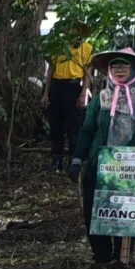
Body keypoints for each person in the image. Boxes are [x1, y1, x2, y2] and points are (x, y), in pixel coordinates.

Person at [70, 48, 135, 265]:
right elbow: (87, 130)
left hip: (133, 168)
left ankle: (122, 256)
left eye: (124, 66)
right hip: (99, 164)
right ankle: (101, 255)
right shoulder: (101, 99)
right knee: (94, 210)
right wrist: (76, 159)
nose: (120, 70)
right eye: (115, 66)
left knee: (127, 210)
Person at [41, 22, 92, 173]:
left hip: (73, 86)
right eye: (70, 27)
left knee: (74, 126)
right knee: (55, 125)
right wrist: (46, 93)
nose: (72, 31)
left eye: (76, 29)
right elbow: (51, 69)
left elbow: (86, 72)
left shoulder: (86, 48)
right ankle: (56, 161)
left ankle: (73, 162)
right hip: (57, 86)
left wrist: (83, 93)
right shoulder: (58, 46)